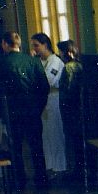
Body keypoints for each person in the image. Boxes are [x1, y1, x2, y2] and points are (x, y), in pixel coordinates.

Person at [0, 31, 49, 189]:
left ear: (5, 44)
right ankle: (41, 180)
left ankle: (19, 181)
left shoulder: (2, 63)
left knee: (16, 148)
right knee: (36, 146)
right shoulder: (33, 61)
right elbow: (44, 87)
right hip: (32, 111)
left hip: (12, 113)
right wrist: (38, 108)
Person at [31, 32, 66, 177]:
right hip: (42, 101)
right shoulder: (39, 61)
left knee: (55, 133)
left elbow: (48, 80)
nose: (34, 49)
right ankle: (50, 166)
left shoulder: (55, 61)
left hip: (53, 99)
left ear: (45, 45)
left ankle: (59, 167)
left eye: (36, 45)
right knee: (46, 134)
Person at [57, 39, 85, 184]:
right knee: (78, 142)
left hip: (71, 110)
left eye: (61, 52)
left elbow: (67, 90)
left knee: (73, 141)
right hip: (79, 110)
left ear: (67, 53)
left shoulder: (68, 67)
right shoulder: (80, 65)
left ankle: (76, 171)